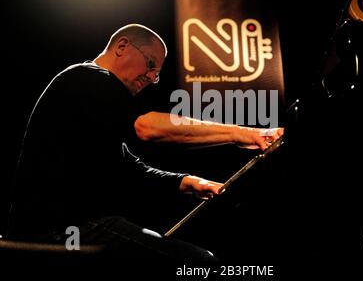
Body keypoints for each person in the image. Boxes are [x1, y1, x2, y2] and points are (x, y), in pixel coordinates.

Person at [7, 23, 282, 262]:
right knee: (200, 263)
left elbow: (129, 168)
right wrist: (247, 134)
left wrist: (192, 182)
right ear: (122, 46)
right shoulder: (87, 79)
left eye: (156, 74)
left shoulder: (89, 103)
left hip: (57, 228)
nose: (151, 78)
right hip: (62, 229)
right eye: (151, 65)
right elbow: (146, 126)